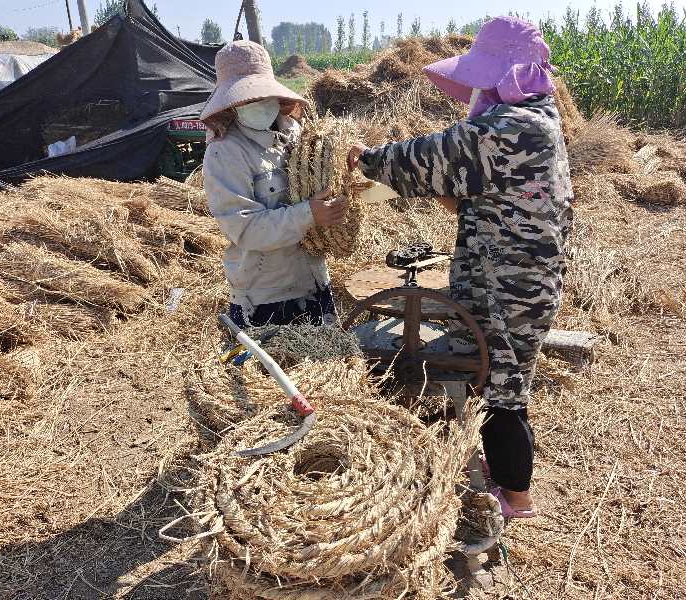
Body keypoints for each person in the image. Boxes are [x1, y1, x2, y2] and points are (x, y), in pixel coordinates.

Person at [348, 17, 573, 518]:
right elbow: (474, 192)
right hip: (516, 276)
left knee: (504, 392)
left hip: (510, 287)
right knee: (500, 380)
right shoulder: (540, 118)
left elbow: (428, 156)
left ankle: (516, 497)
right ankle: (503, 472)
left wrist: (366, 159)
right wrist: (450, 190)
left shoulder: (512, 128)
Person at [200, 41, 348, 330]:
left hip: (313, 280)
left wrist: (345, 165)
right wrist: (309, 214)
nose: (257, 102)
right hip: (266, 296)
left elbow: (321, 179)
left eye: (261, 94)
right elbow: (246, 228)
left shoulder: (296, 133)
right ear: (232, 103)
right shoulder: (225, 152)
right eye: (247, 98)